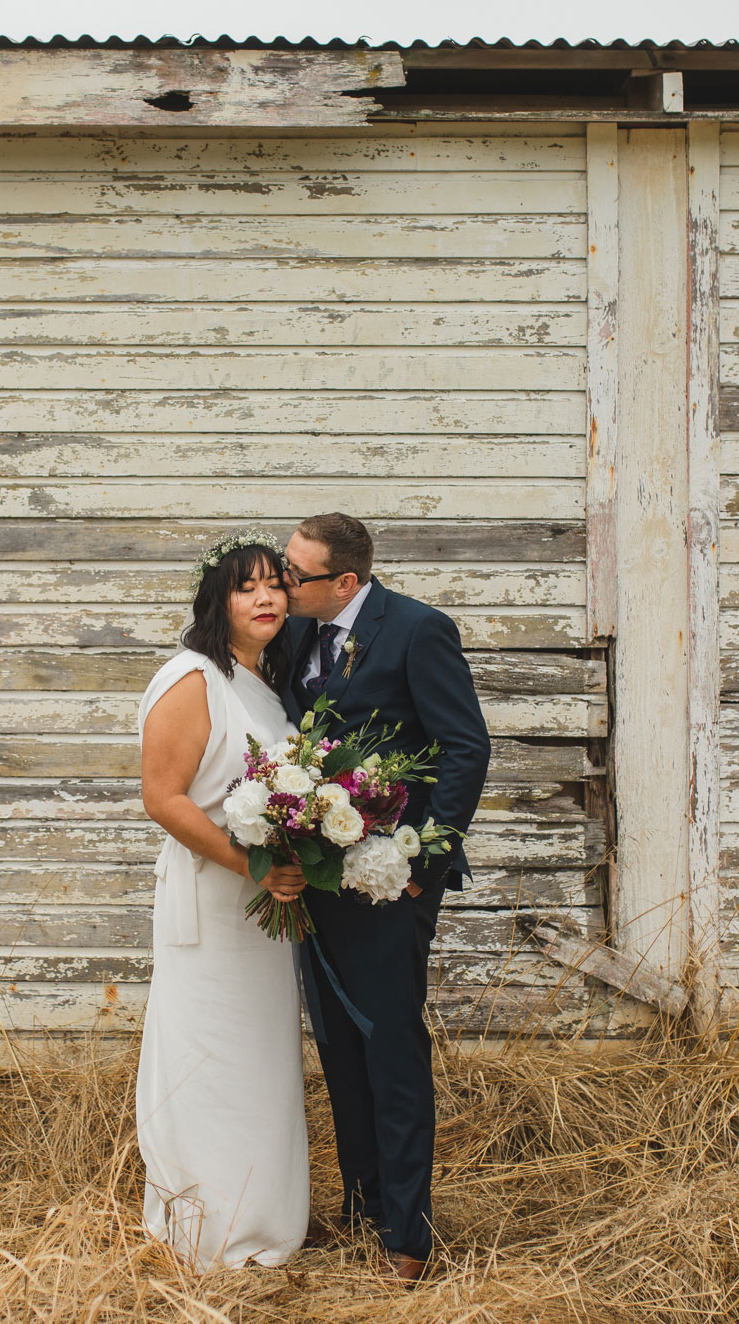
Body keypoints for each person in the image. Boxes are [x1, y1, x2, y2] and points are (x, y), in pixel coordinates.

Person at [274, 512, 491, 1283]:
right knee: (338, 1044)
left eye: (295, 572)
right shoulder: (297, 633)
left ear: (347, 582)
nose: (281, 580)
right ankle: (362, 1207)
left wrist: (418, 861)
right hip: (315, 879)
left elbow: (466, 745)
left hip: (388, 881)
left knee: (392, 1045)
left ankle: (408, 1230)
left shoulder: (419, 630)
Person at [135, 531, 311, 1269]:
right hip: (213, 900)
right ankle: (208, 1230)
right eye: (248, 586)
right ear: (218, 601)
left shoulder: (263, 685)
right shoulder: (193, 677)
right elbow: (163, 797)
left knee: (260, 1056)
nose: (267, 596)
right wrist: (251, 865)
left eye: (277, 583)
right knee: (211, 1054)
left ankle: (264, 1220)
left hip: (263, 907)